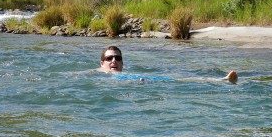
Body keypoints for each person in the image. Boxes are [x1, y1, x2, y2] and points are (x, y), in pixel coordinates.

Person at [98, 45, 238, 83]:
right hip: (135, 82)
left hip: (143, 80)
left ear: (122, 62)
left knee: (179, 79)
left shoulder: (128, 74)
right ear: (102, 63)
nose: (114, 61)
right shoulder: (97, 74)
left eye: (117, 58)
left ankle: (222, 80)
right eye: (109, 58)